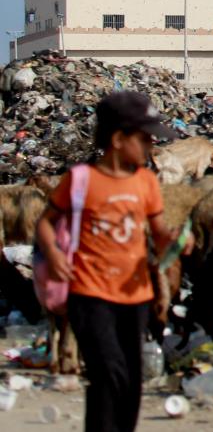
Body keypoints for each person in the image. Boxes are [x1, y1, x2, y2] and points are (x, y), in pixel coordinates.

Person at [35, 91, 177, 432]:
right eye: (144, 139)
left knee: (130, 381)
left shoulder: (146, 182)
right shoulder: (81, 180)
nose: (151, 147)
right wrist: (53, 253)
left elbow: (158, 231)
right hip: (89, 294)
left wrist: (172, 244)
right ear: (118, 139)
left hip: (135, 297)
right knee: (107, 372)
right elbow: (44, 222)